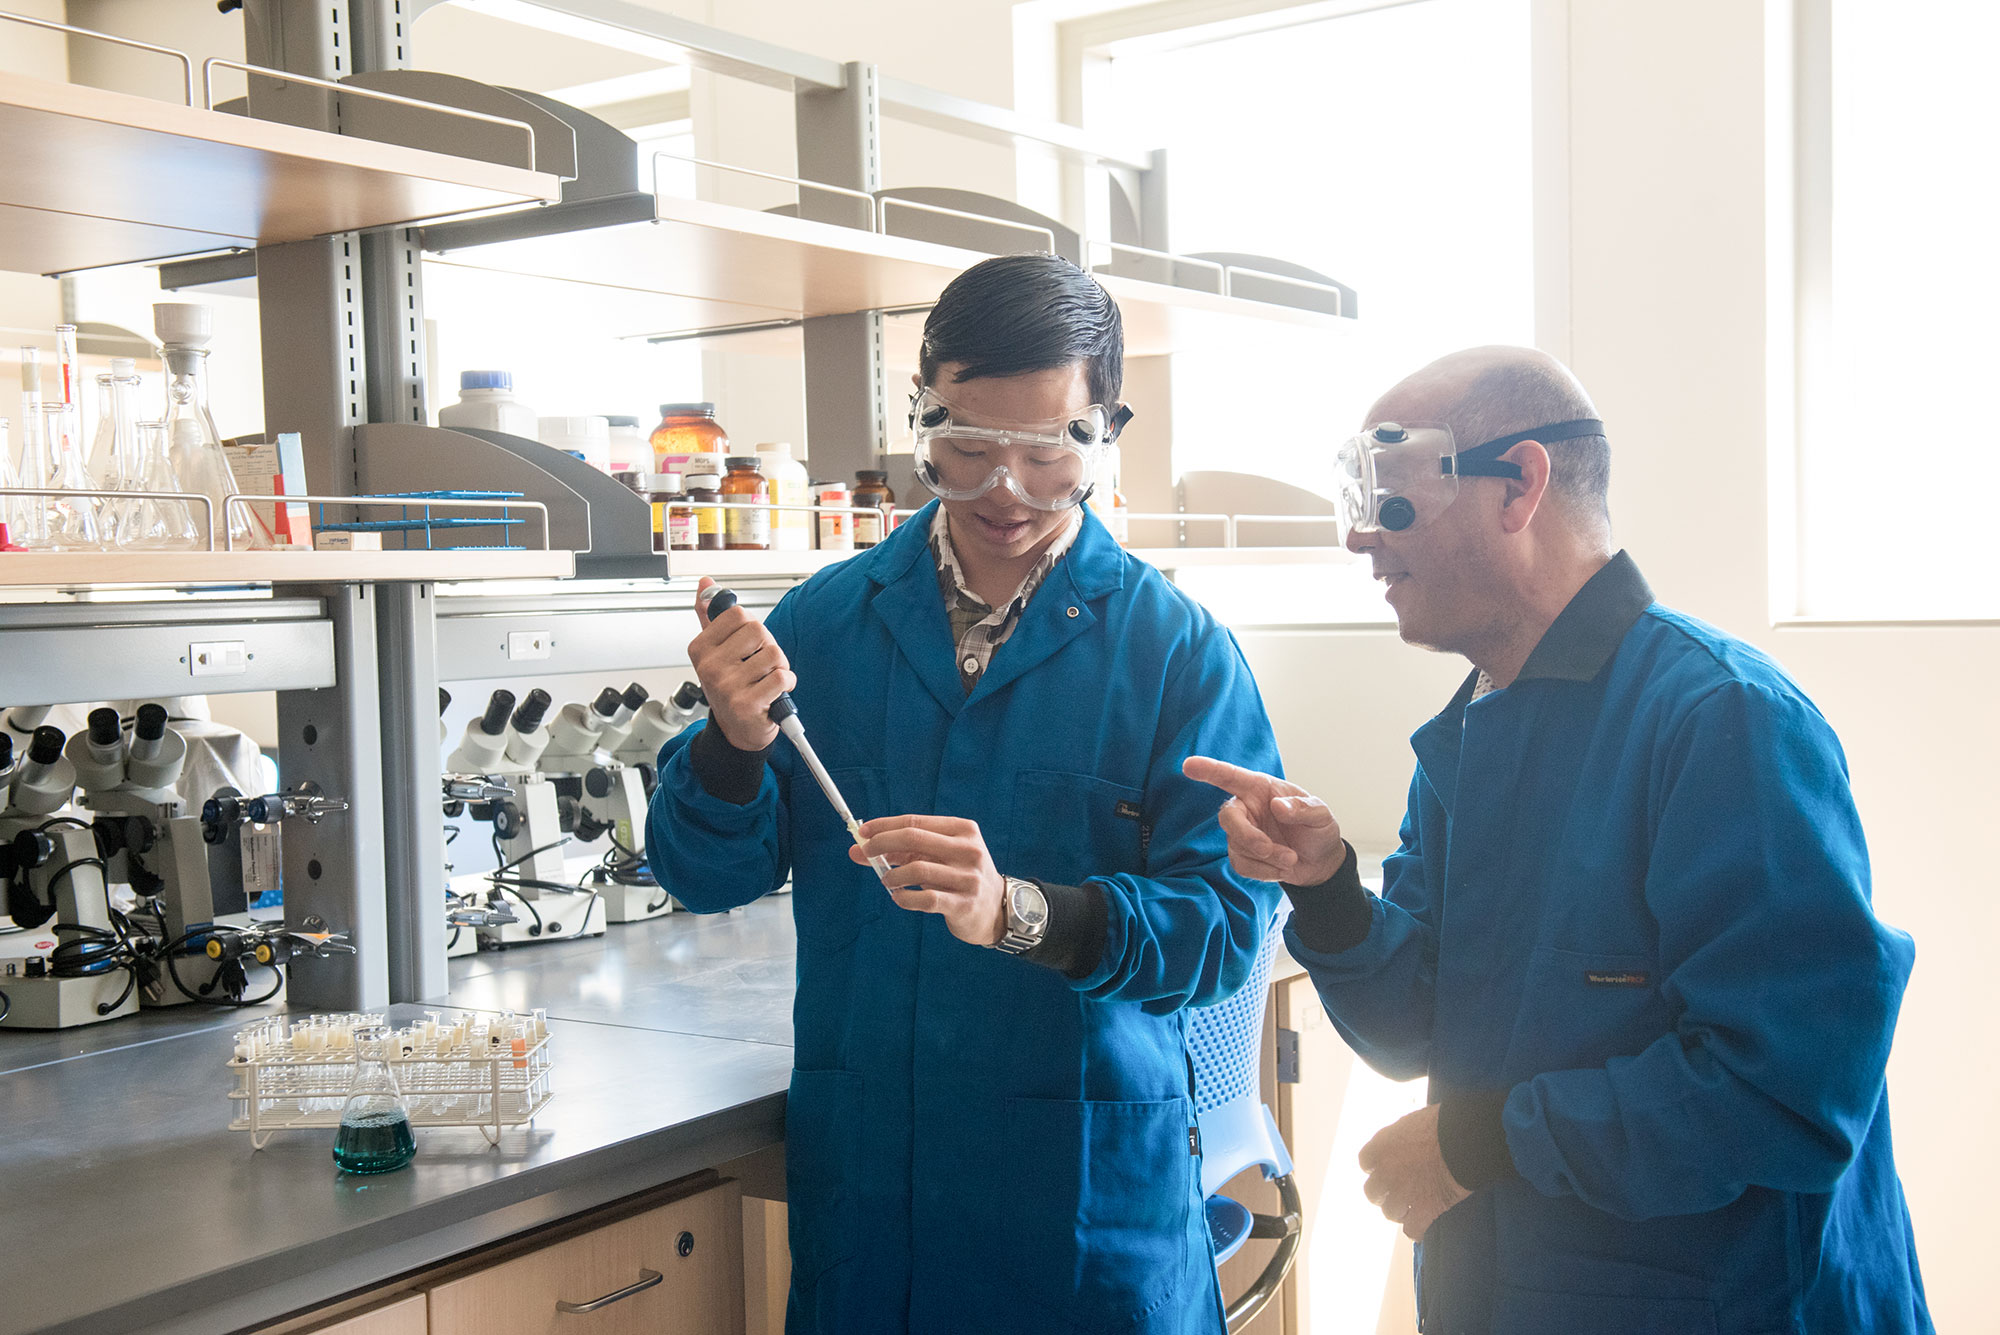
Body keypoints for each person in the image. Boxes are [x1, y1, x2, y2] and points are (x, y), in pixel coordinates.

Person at [1186, 346, 1931, 1334]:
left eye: (1390, 493)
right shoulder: (1475, 728)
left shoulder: (1722, 719)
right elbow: (1414, 1030)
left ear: (1518, 484)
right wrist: (1324, 890)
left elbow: (1783, 1094)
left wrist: (1476, 1143)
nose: (1361, 535)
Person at [647, 253, 1282, 1335]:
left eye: (1043, 454)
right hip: (876, 1200)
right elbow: (705, 875)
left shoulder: (1175, 655)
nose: (1002, 490)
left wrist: (1022, 913)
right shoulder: (824, 624)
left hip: (1082, 1213)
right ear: (921, 417)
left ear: (1101, 433)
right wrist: (731, 744)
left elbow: (1223, 929)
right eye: (966, 449)